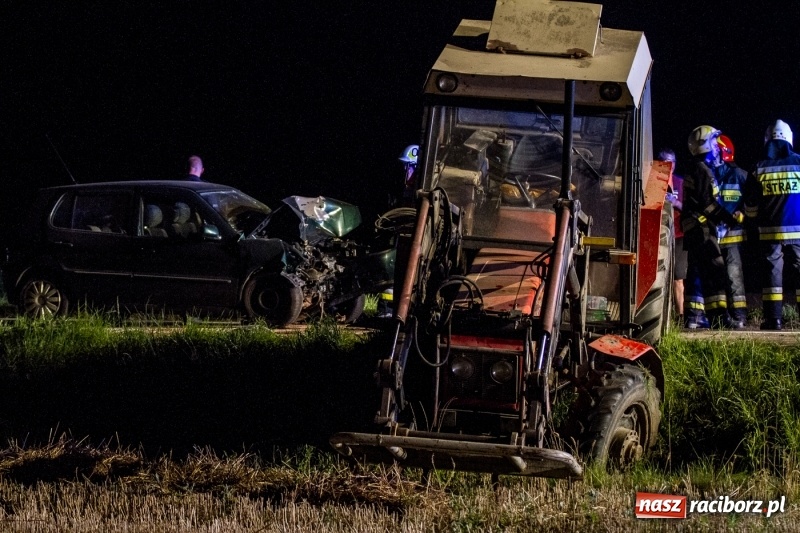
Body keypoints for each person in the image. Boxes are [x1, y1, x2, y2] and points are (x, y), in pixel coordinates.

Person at [743, 119, 800, 330]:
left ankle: (774, 320)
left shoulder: (758, 168)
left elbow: (750, 204)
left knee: (772, 277)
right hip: (798, 231)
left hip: (769, 232)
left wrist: (754, 222)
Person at [682, 125, 741, 329]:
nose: (718, 146)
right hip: (702, 230)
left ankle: (696, 317)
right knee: (715, 272)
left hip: (697, 229)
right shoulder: (703, 171)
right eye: (714, 141)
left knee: (700, 273)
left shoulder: (697, 168)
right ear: (705, 144)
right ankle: (719, 319)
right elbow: (708, 205)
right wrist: (729, 218)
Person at [657, 148, 706, 327]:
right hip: (658, 236)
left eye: (670, 162)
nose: (667, 165)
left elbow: (691, 207)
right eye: (663, 161)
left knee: (679, 277)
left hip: (679, 234)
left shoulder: (681, 183)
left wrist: (674, 201)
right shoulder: (652, 181)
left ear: (675, 164)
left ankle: (681, 316)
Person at [713, 134, 748, 328]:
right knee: (716, 279)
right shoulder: (709, 174)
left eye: (716, 151)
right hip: (713, 235)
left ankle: (739, 316)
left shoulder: (740, 175)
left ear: (724, 153)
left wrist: (741, 215)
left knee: (733, 276)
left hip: (733, 235)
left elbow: (750, 204)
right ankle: (720, 317)